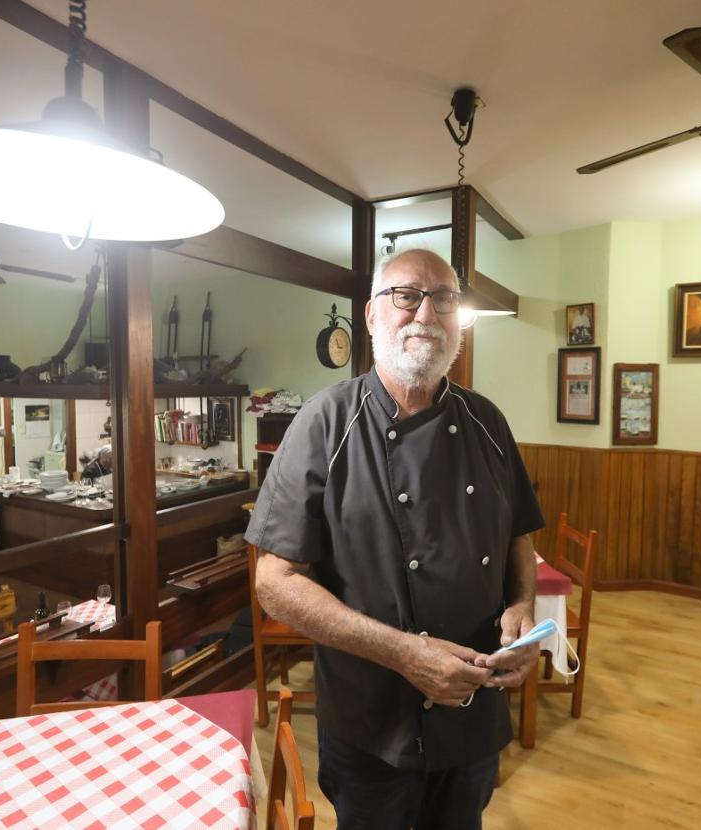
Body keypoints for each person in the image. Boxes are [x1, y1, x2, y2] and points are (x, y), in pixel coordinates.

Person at [246, 249, 544, 829]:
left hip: (473, 708)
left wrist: (523, 607)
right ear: (371, 315)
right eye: (407, 296)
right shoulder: (324, 423)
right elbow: (274, 582)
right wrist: (404, 653)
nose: (426, 313)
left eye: (444, 299)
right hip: (372, 719)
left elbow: (518, 538)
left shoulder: (488, 421)